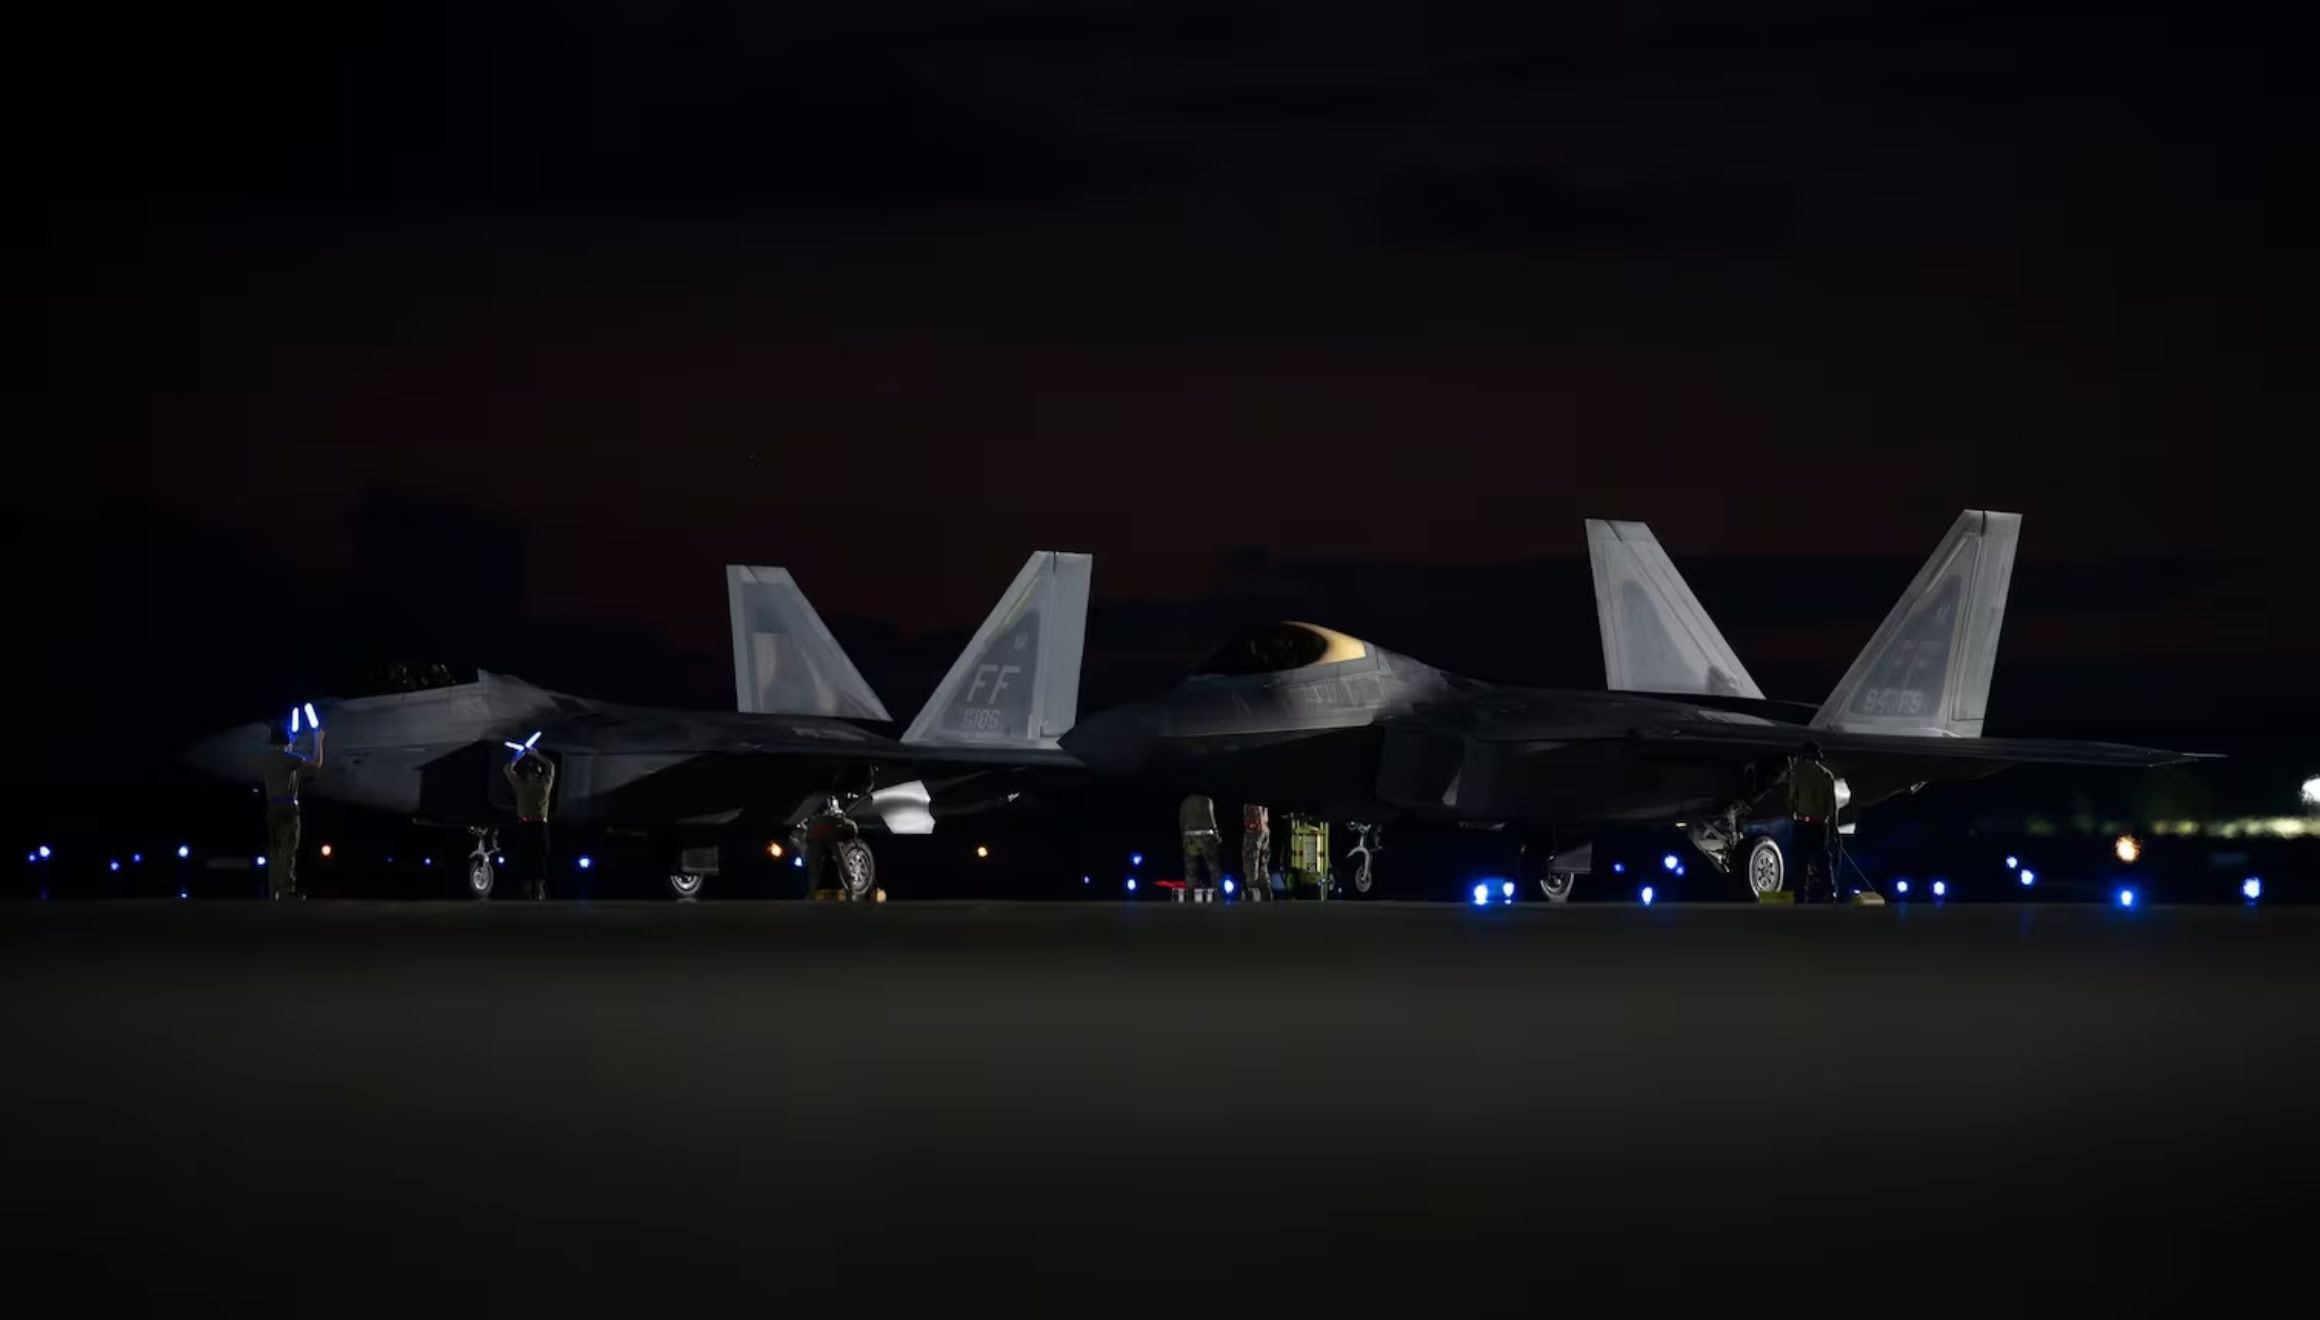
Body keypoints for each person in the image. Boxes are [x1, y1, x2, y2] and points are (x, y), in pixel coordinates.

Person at [260, 721, 323, 899]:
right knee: (288, 849)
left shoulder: (266, 759)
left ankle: (274, 890)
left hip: (272, 807)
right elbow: (316, 763)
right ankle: (287, 889)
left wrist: (290, 743)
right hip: (288, 807)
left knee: (275, 849)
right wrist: (318, 740)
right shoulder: (291, 759)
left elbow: (283, 754)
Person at [1778, 742, 1840, 902]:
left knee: (1800, 860)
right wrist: (1833, 828)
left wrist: (1792, 811)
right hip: (1820, 825)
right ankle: (1829, 891)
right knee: (1822, 859)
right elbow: (1832, 807)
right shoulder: (1827, 775)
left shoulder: (1797, 774)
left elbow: (1791, 801)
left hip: (1802, 824)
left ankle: (1800, 893)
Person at [503, 748, 557, 900]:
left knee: (527, 857)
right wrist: (535, 754)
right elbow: (551, 766)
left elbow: (507, 768)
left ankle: (529, 889)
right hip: (539, 826)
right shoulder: (545, 785)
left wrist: (519, 755)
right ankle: (538, 889)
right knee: (539, 858)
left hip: (525, 825)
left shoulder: (521, 785)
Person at [1181, 793, 1222, 904]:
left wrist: (1184, 837)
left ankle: (1190, 897)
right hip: (1206, 837)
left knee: (1191, 870)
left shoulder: (1185, 803)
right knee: (1213, 868)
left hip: (1191, 837)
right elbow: (1211, 818)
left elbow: (1182, 821)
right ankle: (1218, 894)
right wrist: (1217, 835)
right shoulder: (1207, 800)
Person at [1240, 804, 1271, 902]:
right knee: (1262, 862)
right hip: (1263, 827)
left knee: (1251, 858)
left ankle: (1253, 890)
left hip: (1255, 826)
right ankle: (1265, 891)